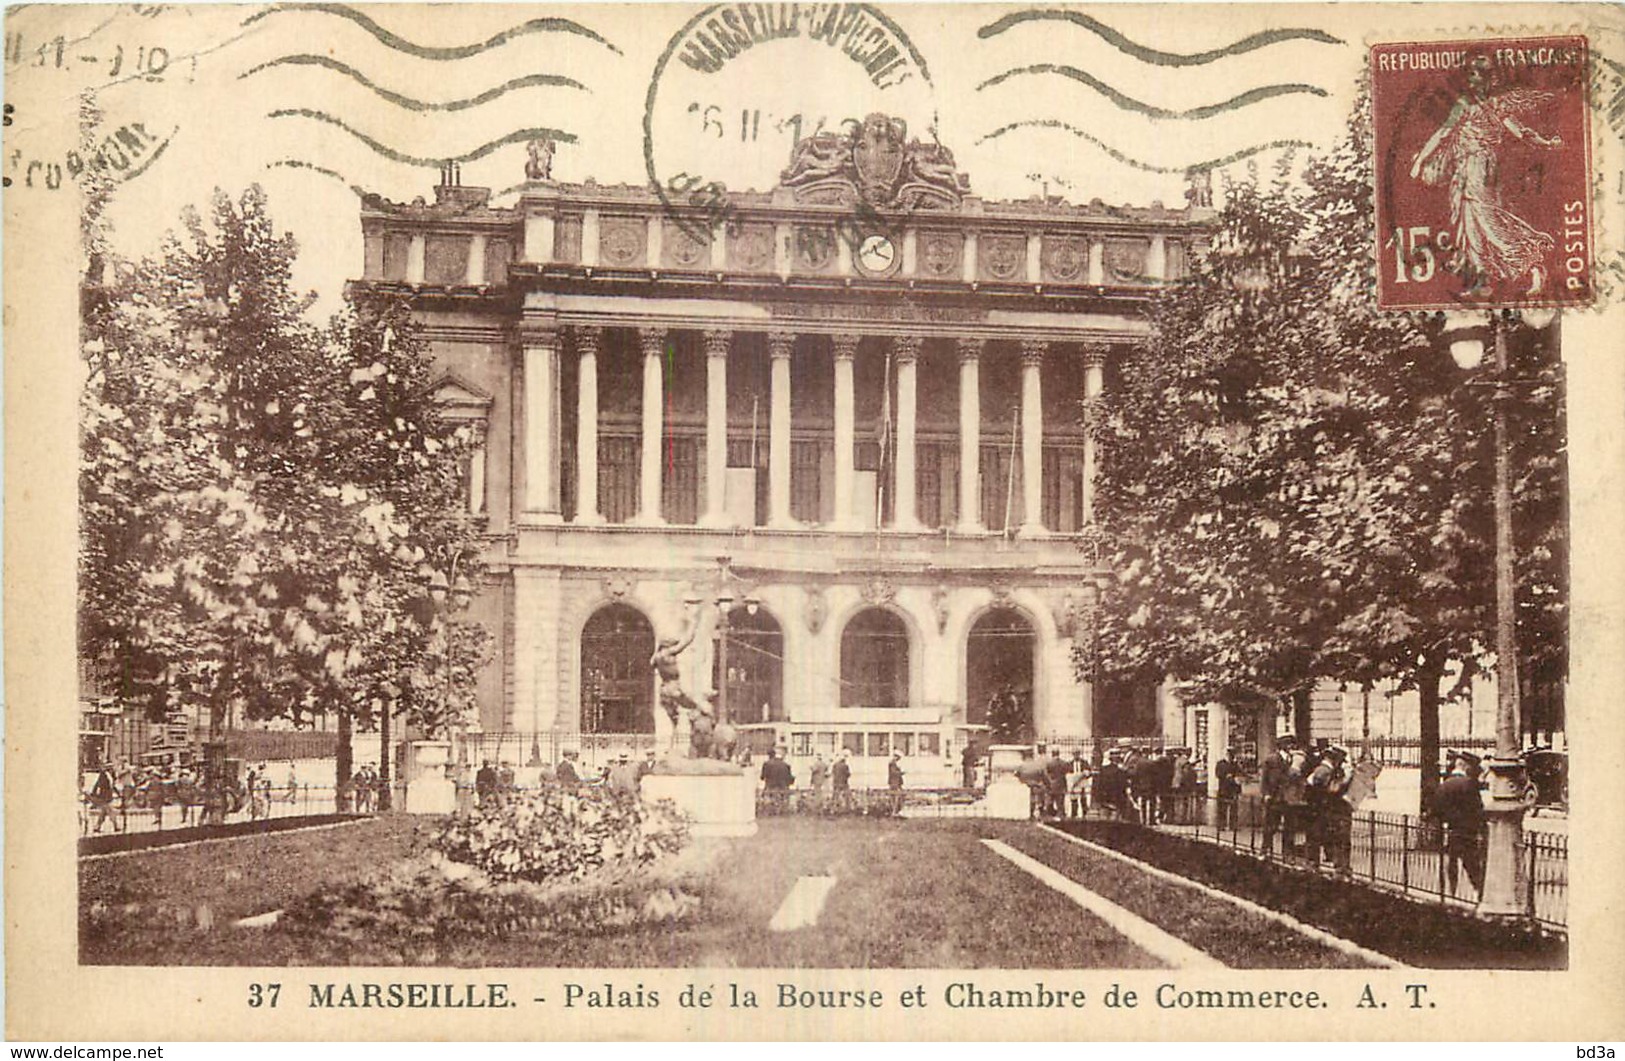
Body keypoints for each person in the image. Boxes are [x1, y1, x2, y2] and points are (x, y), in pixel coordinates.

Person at [1435, 751, 1487, 897]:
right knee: (1472, 865)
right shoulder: (1469, 784)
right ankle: (1480, 894)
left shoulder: (1444, 784)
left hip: (1451, 830)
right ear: (1466, 767)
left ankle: (1451, 893)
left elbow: (1437, 809)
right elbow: (1477, 809)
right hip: (1467, 831)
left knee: (1451, 863)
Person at [1306, 745, 1353, 874]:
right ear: (1335, 759)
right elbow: (1332, 789)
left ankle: (1315, 864)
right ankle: (1317, 865)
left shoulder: (1325, 770)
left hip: (1322, 809)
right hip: (1323, 810)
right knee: (1326, 838)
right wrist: (1346, 779)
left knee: (1322, 838)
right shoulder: (1324, 771)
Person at [1261, 737, 1296, 857]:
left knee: (1289, 827)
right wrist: (1266, 793)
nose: (1291, 746)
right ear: (1282, 745)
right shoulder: (1272, 759)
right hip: (1274, 797)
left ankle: (1287, 853)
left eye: (1291, 744)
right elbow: (1265, 778)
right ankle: (1265, 850)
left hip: (1288, 798)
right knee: (1271, 825)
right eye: (1288, 744)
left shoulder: (1292, 760)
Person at [1094, 749, 1133, 821]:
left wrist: (1098, 799)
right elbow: (1123, 787)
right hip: (1116, 801)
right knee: (1114, 824)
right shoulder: (1121, 772)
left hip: (1104, 800)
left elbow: (1098, 785)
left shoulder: (1103, 770)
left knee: (1104, 822)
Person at [1013, 748, 1048, 821]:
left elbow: (1016, 774)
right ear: (1033, 755)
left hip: (1024, 786)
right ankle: (1036, 812)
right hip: (1036, 785)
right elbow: (1044, 775)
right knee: (1036, 799)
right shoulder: (1038, 764)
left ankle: (1029, 813)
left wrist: (1022, 780)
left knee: (1027, 800)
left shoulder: (1021, 765)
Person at [760, 748, 794, 814]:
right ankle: (782, 810)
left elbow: (762, 777)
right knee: (784, 798)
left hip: (770, 786)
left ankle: (769, 810)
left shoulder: (767, 764)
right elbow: (789, 778)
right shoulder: (786, 765)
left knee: (766, 796)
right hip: (783, 787)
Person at [88, 763, 120, 834]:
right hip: (105, 796)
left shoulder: (110, 776)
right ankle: (116, 826)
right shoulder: (103, 775)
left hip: (108, 796)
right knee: (111, 811)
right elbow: (98, 784)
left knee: (103, 813)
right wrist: (94, 793)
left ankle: (97, 827)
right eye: (110, 767)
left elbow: (112, 786)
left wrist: (118, 793)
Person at [1215, 749, 1242, 831]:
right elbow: (1218, 774)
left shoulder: (1234, 764)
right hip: (1224, 788)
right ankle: (1221, 825)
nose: (1231, 757)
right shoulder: (1220, 764)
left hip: (1233, 789)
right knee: (1222, 808)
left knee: (1234, 808)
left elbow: (1239, 774)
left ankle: (1233, 825)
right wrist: (1227, 776)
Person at [1043, 747, 1070, 820]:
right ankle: (1060, 816)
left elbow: (1046, 774)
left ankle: (1049, 816)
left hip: (1051, 785)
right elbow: (1066, 772)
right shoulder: (1063, 763)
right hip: (1061, 784)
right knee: (1060, 803)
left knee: (1050, 802)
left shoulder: (1049, 763)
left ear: (1052, 754)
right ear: (1059, 753)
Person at [1066, 753, 1089, 819]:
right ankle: (1074, 814)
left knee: (1083, 799)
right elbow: (1067, 773)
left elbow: (1088, 773)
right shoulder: (1069, 763)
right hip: (1074, 783)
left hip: (1082, 783)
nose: (1076, 756)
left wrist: (1084, 775)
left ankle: (1085, 814)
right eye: (1075, 754)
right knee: (1074, 800)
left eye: (1077, 754)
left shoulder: (1084, 762)